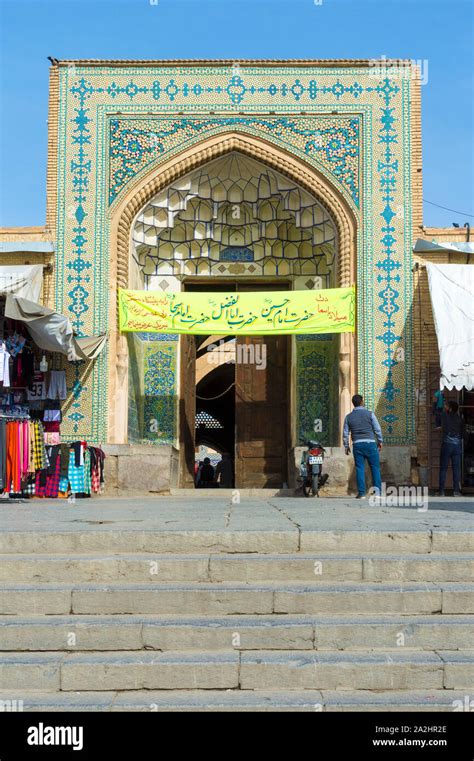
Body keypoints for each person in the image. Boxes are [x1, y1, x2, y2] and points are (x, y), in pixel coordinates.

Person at [343, 394, 383, 498]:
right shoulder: (370, 414)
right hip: (370, 444)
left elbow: (345, 433)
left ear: (353, 403)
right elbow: (377, 429)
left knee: (360, 468)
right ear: (361, 402)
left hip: (357, 445)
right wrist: (380, 441)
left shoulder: (348, 417)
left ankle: (361, 493)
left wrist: (346, 446)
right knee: (375, 468)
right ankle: (377, 493)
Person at [439, 400, 463, 496]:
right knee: (456, 469)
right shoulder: (460, 419)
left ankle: (441, 491)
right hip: (457, 446)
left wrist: (439, 398)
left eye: (446, 405)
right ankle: (456, 491)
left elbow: (436, 411)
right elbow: (463, 434)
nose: (445, 407)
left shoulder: (444, 416)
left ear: (450, 408)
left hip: (447, 445)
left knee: (443, 468)